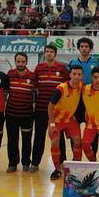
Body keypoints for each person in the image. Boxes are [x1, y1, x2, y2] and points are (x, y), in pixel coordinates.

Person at [32, 45, 69, 173]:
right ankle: (35, 163)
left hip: (57, 112)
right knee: (39, 136)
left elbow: (66, 87)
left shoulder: (62, 69)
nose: (49, 54)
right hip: (41, 109)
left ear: (55, 54)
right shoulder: (38, 68)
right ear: (44, 53)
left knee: (60, 137)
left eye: (51, 52)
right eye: (47, 51)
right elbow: (35, 87)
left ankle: (62, 162)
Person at [67, 37, 99, 155]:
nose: (84, 48)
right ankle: (75, 156)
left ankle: (93, 157)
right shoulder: (73, 62)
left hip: (92, 100)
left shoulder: (97, 61)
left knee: (93, 128)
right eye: (81, 46)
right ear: (78, 48)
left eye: (86, 46)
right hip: (76, 100)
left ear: (90, 48)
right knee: (74, 129)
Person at [47, 65, 84, 180]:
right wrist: (52, 124)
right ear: (70, 75)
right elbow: (50, 106)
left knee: (78, 141)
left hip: (70, 119)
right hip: (57, 120)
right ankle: (57, 169)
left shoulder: (81, 86)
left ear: (81, 76)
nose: (77, 77)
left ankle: (76, 166)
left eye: (79, 74)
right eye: (74, 74)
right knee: (55, 143)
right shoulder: (61, 88)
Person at [5, 52, 37, 173]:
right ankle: (12, 163)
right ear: (15, 61)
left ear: (26, 62)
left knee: (26, 140)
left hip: (27, 115)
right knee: (12, 139)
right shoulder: (10, 75)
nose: (20, 64)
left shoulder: (32, 76)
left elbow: (35, 93)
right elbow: (6, 92)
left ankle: (25, 163)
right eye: (18, 61)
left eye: (22, 61)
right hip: (11, 114)